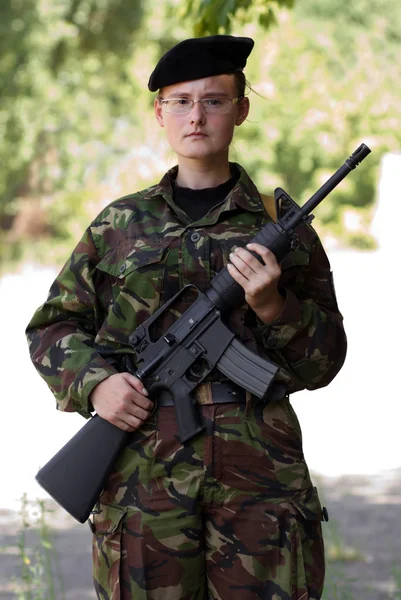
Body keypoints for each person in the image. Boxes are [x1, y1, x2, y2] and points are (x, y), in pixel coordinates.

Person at [26, 35, 347, 600]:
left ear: (241, 109)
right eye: (180, 101)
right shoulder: (118, 225)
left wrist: (275, 308)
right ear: (160, 112)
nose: (196, 116)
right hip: (142, 487)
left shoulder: (281, 226)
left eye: (214, 100)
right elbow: (52, 327)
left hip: (261, 486)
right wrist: (96, 386)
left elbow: (325, 361)